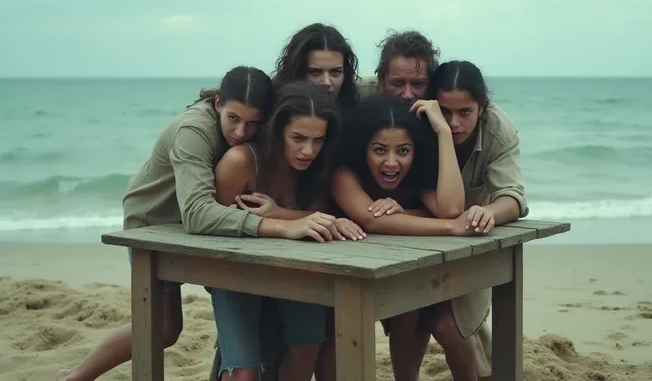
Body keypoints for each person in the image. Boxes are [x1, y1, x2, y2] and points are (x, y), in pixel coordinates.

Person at [57, 66, 277, 381]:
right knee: (163, 329)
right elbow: (198, 213)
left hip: (199, 231)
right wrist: (276, 224)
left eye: (253, 123)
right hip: (152, 225)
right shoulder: (194, 130)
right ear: (218, 104)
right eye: (233, 119)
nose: (241, 132)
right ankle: (77, 377)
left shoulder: (248, 129)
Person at [328, 95, 491, 381]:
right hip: (356, 274)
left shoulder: (417, 175)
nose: (391, 163)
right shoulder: (344, 173)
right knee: (405, 313)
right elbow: (371, 219)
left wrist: (442, 133)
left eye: (403, 151)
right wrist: (450, 227)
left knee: (437, 319)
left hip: (423, 271)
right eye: (379, 150)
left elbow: (451, 208)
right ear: (362, 148)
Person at [391, 60, 529, 381]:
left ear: (482, 106)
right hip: (420, 234)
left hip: (471, 238)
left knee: (450, 324)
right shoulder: (419, 120)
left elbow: (514, 197)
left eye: (465, 112)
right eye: (446, 111)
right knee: (409, 316)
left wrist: (489, 212)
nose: (454, 122)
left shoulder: (498, 129)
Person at [208, 80, 354, 381]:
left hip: (296, 270)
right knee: (243, 371)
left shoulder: (317, 167)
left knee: (309, 346)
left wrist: (304, 217)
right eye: (298, 138)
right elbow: (215, 227)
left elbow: (315, 216)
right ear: (277, 131)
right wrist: (288, 224)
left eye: (318, 140)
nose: (308, 150)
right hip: (234, 272)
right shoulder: (241, 162)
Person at [272, 23, 360, 111]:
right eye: (315, 72)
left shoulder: (357, 118)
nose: (326, 82)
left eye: (335, 72)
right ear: (296, 72)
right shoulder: (270, 115)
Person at [361, 29, 440, 102]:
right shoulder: (361, 97)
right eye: (398, 83)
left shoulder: (446, 106)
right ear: (381, 81)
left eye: (417, 84)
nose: (407, 95)